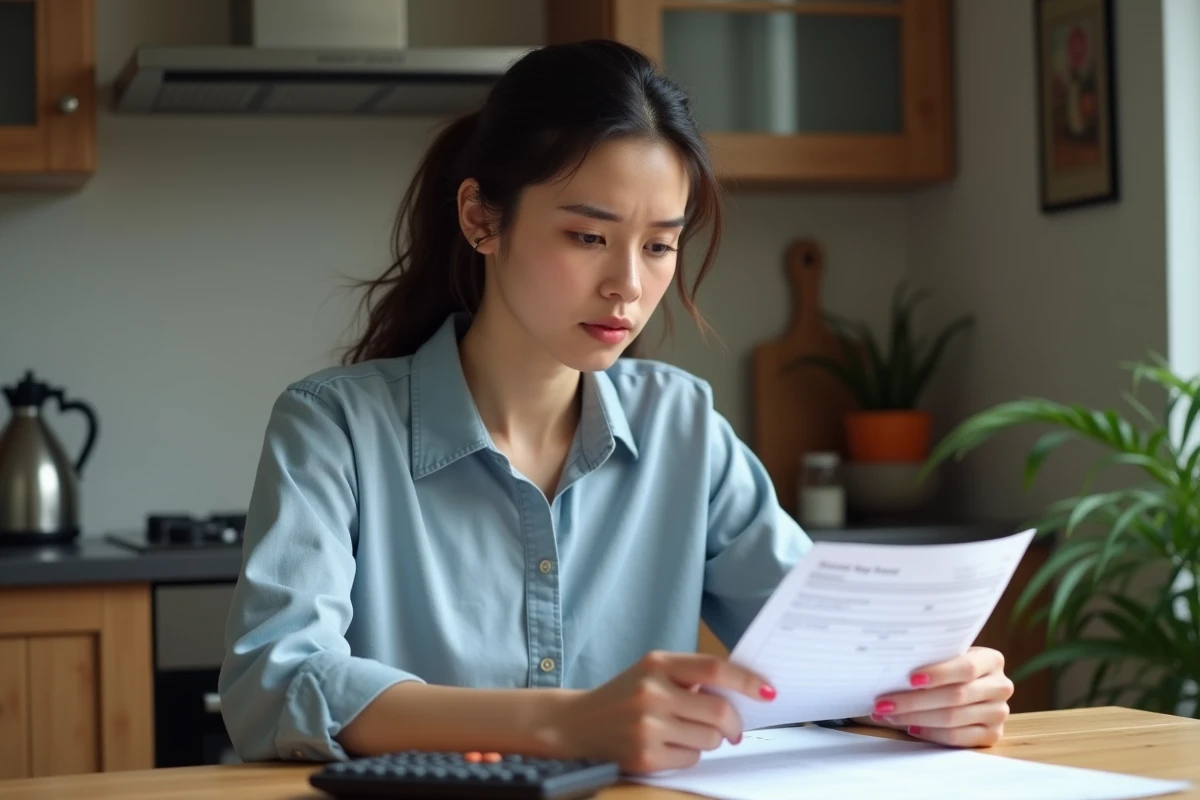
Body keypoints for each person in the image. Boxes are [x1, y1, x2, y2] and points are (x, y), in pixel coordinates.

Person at [217, 39, 1014, 774]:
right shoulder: (333, 425)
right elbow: (275, 682)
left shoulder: (683, 426)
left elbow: (820, 654)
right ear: (480, 218)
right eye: (588, 237)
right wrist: (564, 724)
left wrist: (931, 691)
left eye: (660, 245)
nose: (629, 286)